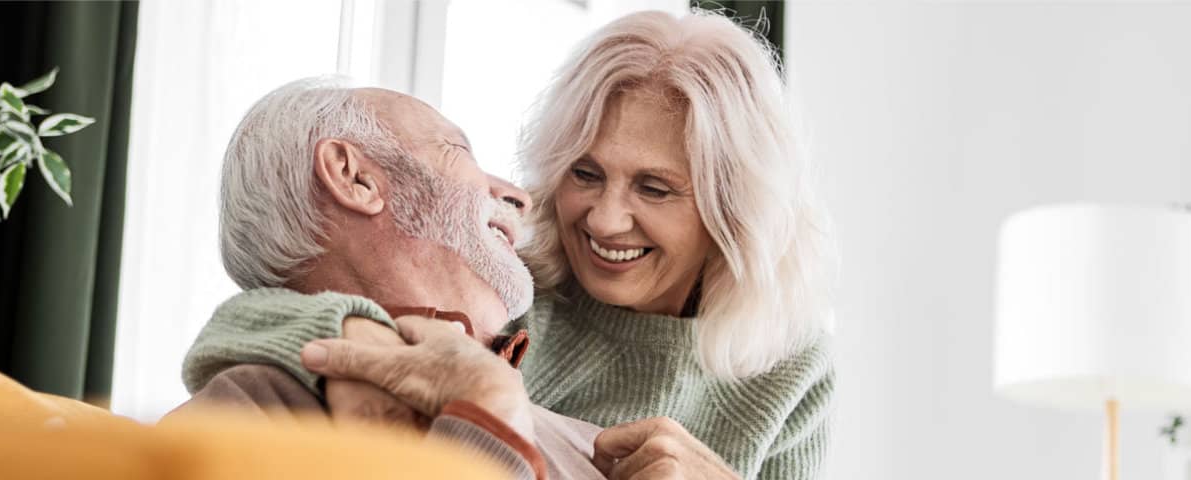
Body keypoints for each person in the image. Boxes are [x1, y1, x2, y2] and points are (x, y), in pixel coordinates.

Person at [189, 10, 837, 479]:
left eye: (655, 189)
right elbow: (277, 293)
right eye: (585, 174)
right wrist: (355, 331)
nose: (605, 220)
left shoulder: (791, 366)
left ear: (733, 210)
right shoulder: (510, 280)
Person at [172, 77, 604, 480]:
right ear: (354, 177)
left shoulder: (599, 450)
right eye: (458, 149)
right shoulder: (230, 424)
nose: (519, 197)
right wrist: (488, 423)